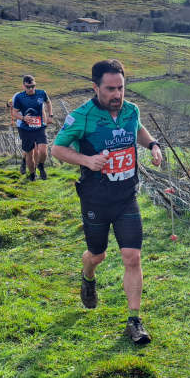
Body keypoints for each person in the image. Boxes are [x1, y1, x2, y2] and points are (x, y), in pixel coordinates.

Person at [51, 59, 163, 345]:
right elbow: (57, 149)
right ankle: (87, 274)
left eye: (121, 88)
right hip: (95, 198)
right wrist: (87, 160)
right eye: (110, 89)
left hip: (126, 196)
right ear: (95, 87)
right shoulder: (82, 116)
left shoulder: (131, 110)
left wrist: (152, 145)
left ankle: (134, 321)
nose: (117, 95)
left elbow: (137, 128)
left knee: (132, 257)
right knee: (97, 255)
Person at [11, 74, 52, 180]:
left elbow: (48, 103)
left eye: (33, 86)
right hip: (25, 128)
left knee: (43, 151)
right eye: (28, 87)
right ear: (23, 86)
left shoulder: (41, 93)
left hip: (39, 126)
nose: (31, 89)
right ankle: (32, 174)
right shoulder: (19, 97)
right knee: (29, 153)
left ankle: (41, 165)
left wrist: (50, 116)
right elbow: (14, 113)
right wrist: (24, 118)